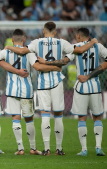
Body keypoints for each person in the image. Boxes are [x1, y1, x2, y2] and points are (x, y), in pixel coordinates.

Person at [5, 21, 98, 156]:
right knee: (58, 116)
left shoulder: (37, 42)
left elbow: (21, 50)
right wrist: (92, 42)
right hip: (57, 82)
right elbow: (79, 50)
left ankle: (47, 149)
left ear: (43, 31)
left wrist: (8, 47)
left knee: (45, 115)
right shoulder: (62, 42)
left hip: (43, 83)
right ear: (55, 32)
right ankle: (59, 149)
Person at [0, 29, 62, 155]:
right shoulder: (29, 53)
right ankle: (33, 148)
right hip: (26, 89)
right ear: (24, 40)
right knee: (29, 119)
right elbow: (37, 66)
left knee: (16, 119)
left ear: (12, 40)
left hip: (12, 89)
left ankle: (20, 148)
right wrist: (55, 67)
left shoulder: (6, 51)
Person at [38, 28, 106, 156]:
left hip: (81, 86)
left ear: (79, 36)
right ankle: (98, 148)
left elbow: (64, 61)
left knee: (82, 118)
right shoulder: (98, 46)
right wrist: (91, 75)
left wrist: (46, 62)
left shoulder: (76, 47)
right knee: (97, 117)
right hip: (95, 86)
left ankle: (84, 149)